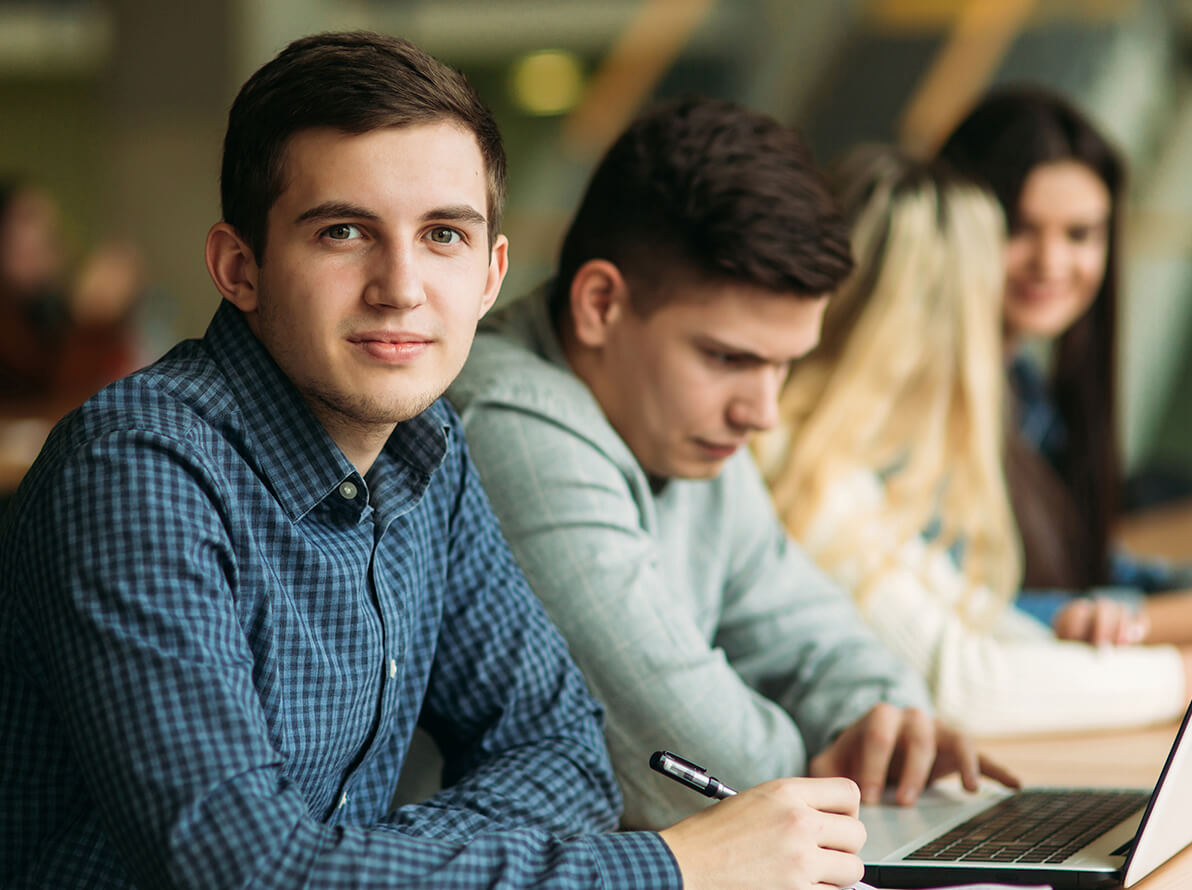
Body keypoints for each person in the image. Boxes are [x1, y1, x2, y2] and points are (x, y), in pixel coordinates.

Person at [0, 33, 870, 890]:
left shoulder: (427, 450)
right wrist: (678, 867)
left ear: (491, 275)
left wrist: (358, 864)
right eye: (343, 231)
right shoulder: (139, 473)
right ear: (240, 267)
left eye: (443, 235)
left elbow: (565, 752)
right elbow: (244, 870)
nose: (401, 286)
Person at [447, 96, 1015, 832]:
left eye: (783, 366)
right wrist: (839, 760)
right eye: (728, 358)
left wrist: (878, 719)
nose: (762, 411)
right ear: (599, 305)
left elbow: (812, 631)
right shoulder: (507, 424)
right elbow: (700, 767)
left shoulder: (683, 425)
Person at [755, 145, 1192, 736]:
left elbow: (980, 624)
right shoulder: (798, 464)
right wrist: (1176, 674)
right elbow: (965, 684)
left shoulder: (848, 459)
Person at [937, 85, 1192, 647]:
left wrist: (1165, 591)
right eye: (1019, 229)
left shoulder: (1024, 383)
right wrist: (1127, 618)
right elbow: (941, 608)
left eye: (1079, 235)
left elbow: (1084, 565)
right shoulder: (921, 396)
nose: (1050, 263)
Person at [0, 177, 143, 414]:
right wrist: (93, 316)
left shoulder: (45, 313)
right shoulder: (5, 327)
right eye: (26, 219)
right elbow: (61, 406)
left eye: (50, 225)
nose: (44, 235)